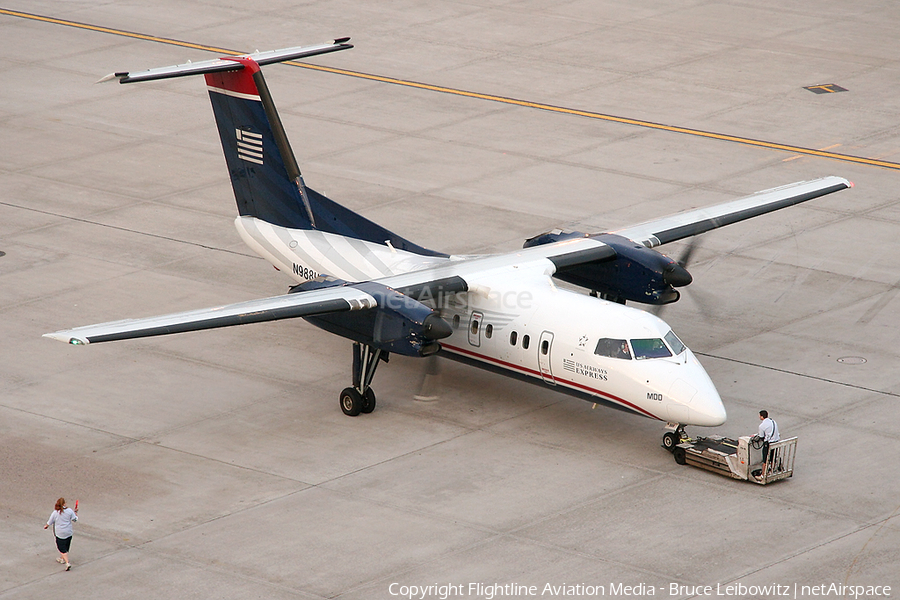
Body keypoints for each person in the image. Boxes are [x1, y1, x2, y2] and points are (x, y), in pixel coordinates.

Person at [44, 497, 78, 571]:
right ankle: (62, 558)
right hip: (68, 532)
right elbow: (75, 519)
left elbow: (50, 521)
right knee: (66, 546)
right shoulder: (69, 511)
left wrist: (46, 526)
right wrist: (75, 513)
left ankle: (67, 562)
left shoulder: (55, 513)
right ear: (64, 504)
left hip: (60, 533)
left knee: (61, 548)